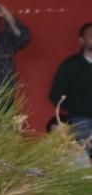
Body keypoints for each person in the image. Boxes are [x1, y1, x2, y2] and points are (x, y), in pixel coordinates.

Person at [50, 23, 92, 154]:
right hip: (80, 121)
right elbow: (55, 94)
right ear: (81, 40)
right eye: (91, 35)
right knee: (82, 161)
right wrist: (75, 108)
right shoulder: (70, 65)